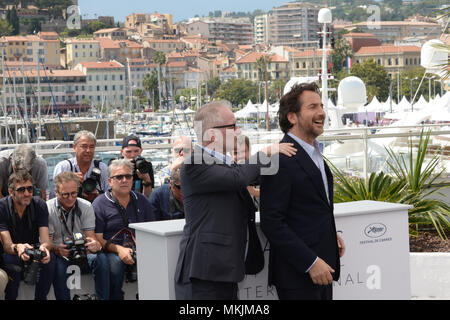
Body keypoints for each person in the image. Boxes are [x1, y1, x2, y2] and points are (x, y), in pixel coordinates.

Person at [174, 100, 297, 300]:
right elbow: (238, 178)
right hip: (203, 273)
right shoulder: (195, 163)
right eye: (233, 126)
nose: (239, 131)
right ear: (212, 134)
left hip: (224, 269)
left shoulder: (225, 163)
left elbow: (252, 176)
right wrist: (266, 152)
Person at [260, 82, 346, 300]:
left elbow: (310, 208)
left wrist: (330, 234)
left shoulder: (316, 155)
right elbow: (272, 222)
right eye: (312, 107)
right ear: (292, 117)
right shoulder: (279, 159)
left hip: (325, 268)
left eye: (321, 106)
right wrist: (310, 262)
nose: (321, 113)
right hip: (299, 276)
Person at [92, 159, 155, 300]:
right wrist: (119, 250)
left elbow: (152, 230)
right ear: (109, 181)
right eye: (119, 177)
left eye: (128, 176)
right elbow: (98, 238)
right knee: (115, 263)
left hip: (140, 248)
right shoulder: (100, 203)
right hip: (111, 250)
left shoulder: (141, 200)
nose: (124, 180)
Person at [47, 171, 105, 300]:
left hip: (82, 250)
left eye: (74, 193)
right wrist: (57, 249)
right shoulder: (48, 208)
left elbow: (90, 236)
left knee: (101, 259)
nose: (70, 198)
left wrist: (94, 245)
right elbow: (47, 242)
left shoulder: (86, 206)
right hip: (60, 253)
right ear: (56, 192)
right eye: (65, 194)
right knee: (60, 267)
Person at [0, 170, 53, 300]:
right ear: (11, 192)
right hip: (10, 253)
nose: (27, 193)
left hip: (33, 250)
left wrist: (45, 248)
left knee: (50, 262)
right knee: (13, 263)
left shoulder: (39, 205)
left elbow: (45, 239)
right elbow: (7, 245)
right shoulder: (2, 207)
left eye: (30, 189)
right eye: (21, 190)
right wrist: (18, 248)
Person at [52, 130, 108, 203]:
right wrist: (70, 181)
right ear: (74, 147)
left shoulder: (102, 168)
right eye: (84, 146)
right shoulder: (63, 167)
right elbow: (54, 196)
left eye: (91, 147)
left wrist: (97, 196)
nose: (88, 150)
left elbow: (110, 196)